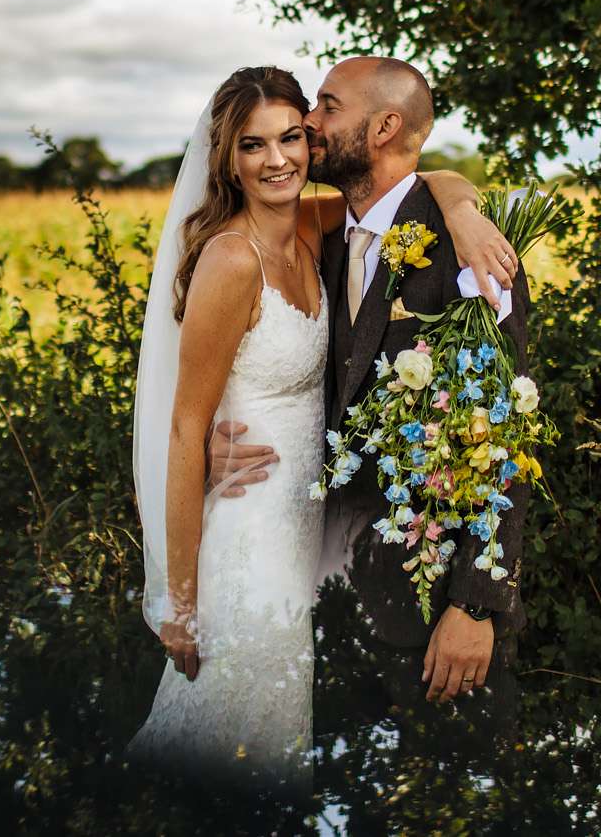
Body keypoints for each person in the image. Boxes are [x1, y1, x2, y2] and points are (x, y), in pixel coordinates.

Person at [127, 65, 511, 795]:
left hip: (309, 544)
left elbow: (427, 180)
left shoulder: (317, 230)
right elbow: (184, 427)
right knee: (228, 734)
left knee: (276, 733)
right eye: (252, 145)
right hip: (246, 536)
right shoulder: (232, 256)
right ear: (226, 159)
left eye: (292, 136)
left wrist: (461, 204)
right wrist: (176, 602)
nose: (277, 159)